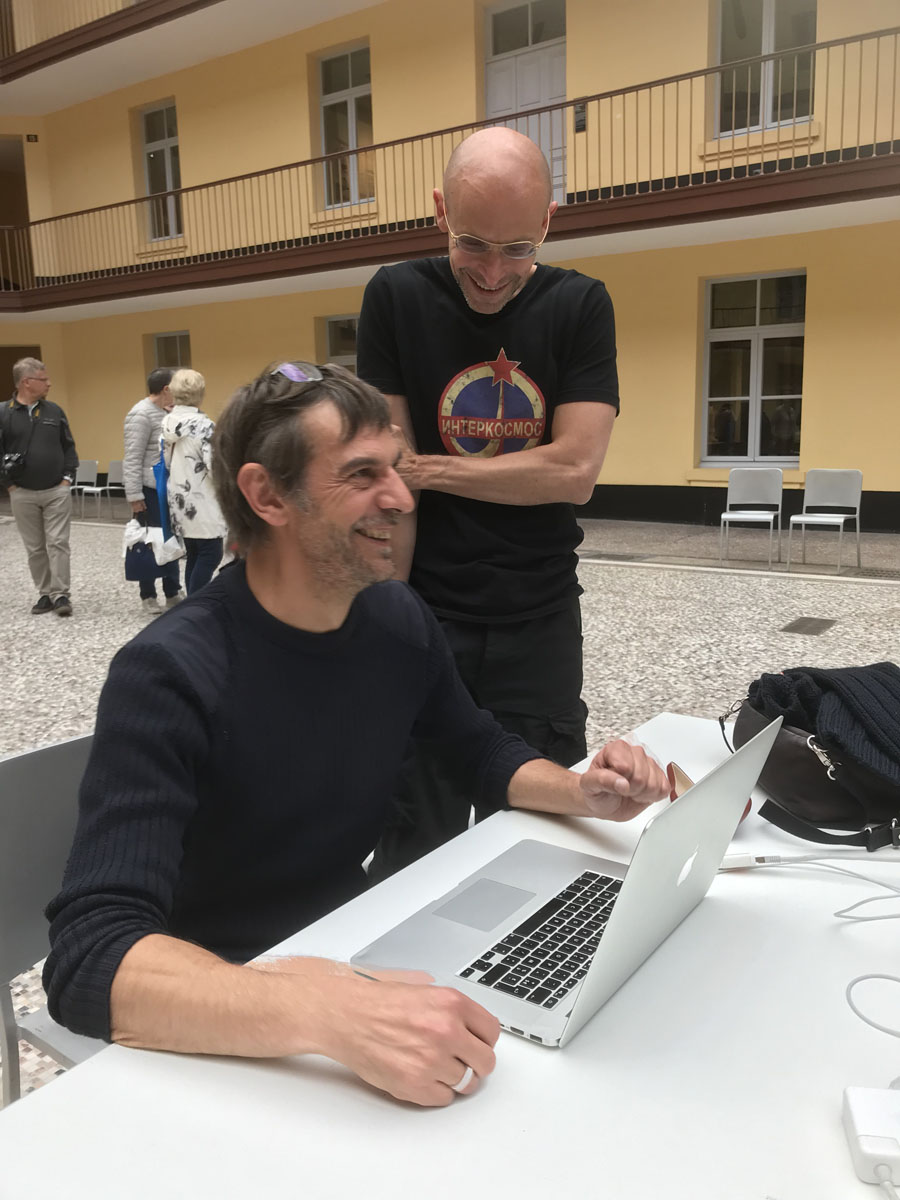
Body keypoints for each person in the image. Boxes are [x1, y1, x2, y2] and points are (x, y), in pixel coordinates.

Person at [44, 361, 669, 1108]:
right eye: (363, 474)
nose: (402, 498)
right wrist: (323, 1011)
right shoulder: (171, 672)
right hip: (224, 1009)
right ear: (267, 494)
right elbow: (89, 960)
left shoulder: (393, 618)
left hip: (355, 947)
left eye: (399, 470)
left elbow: (476, 749)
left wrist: (582, 791)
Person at [357, 127, 620, 877]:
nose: (495, 273)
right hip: (429, 617)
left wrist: (433, 471)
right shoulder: (397, 296)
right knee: (415, 840)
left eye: (517, 248)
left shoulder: (580, 305)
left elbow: (574, 471)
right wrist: (385, 617)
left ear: (549, 222)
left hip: (538, 618)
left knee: (546, 846)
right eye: (473, 243)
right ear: (439, 210)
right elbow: (389, 485)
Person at [0, 357, 78, 617]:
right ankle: (44, 593)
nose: (49, 383)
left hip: (56, 489)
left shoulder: (54, 411)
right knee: (35, 547)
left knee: (58, 542)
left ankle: (61, 595)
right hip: (21, 492)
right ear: (26, 382)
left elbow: (68, 445)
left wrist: (67, 478)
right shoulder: (3, 413)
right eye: (43, 379)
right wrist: (9, 485)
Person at [123, 367, 184, 615]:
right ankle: (148, 594)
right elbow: (132, 458)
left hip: (170, 486)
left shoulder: (167, 411)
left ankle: (172, 591)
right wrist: (135, 496)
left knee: (171, 540)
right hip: (149, 488)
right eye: (177, 387)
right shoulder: (140, 415)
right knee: (148, 541)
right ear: (167, 389)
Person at [161, 368, 226, 594]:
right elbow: (214, 468)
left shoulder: (168, 422)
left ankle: (191, 602)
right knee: (211, 553)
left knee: (195, 553)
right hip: (203, 500)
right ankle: (196, 605)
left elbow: (167, 461)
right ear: (200, 393)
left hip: (180, 498)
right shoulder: (204, 425)